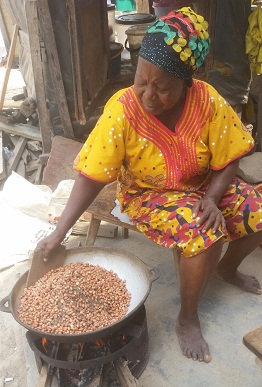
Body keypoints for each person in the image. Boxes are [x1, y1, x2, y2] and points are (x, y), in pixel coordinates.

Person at [36, 7, 262, 363]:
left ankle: (227, 268)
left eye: (162, 88)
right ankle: (187, 318)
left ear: (187, 82)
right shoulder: (122, 110)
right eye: (141, 80)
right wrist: (59, 233)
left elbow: (231, 152)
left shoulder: (207, 100)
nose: (147, 95)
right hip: (149, 194)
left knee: (258, 210)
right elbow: (91, 176)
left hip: (204, 184)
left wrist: (214, 198)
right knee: (200, 232)